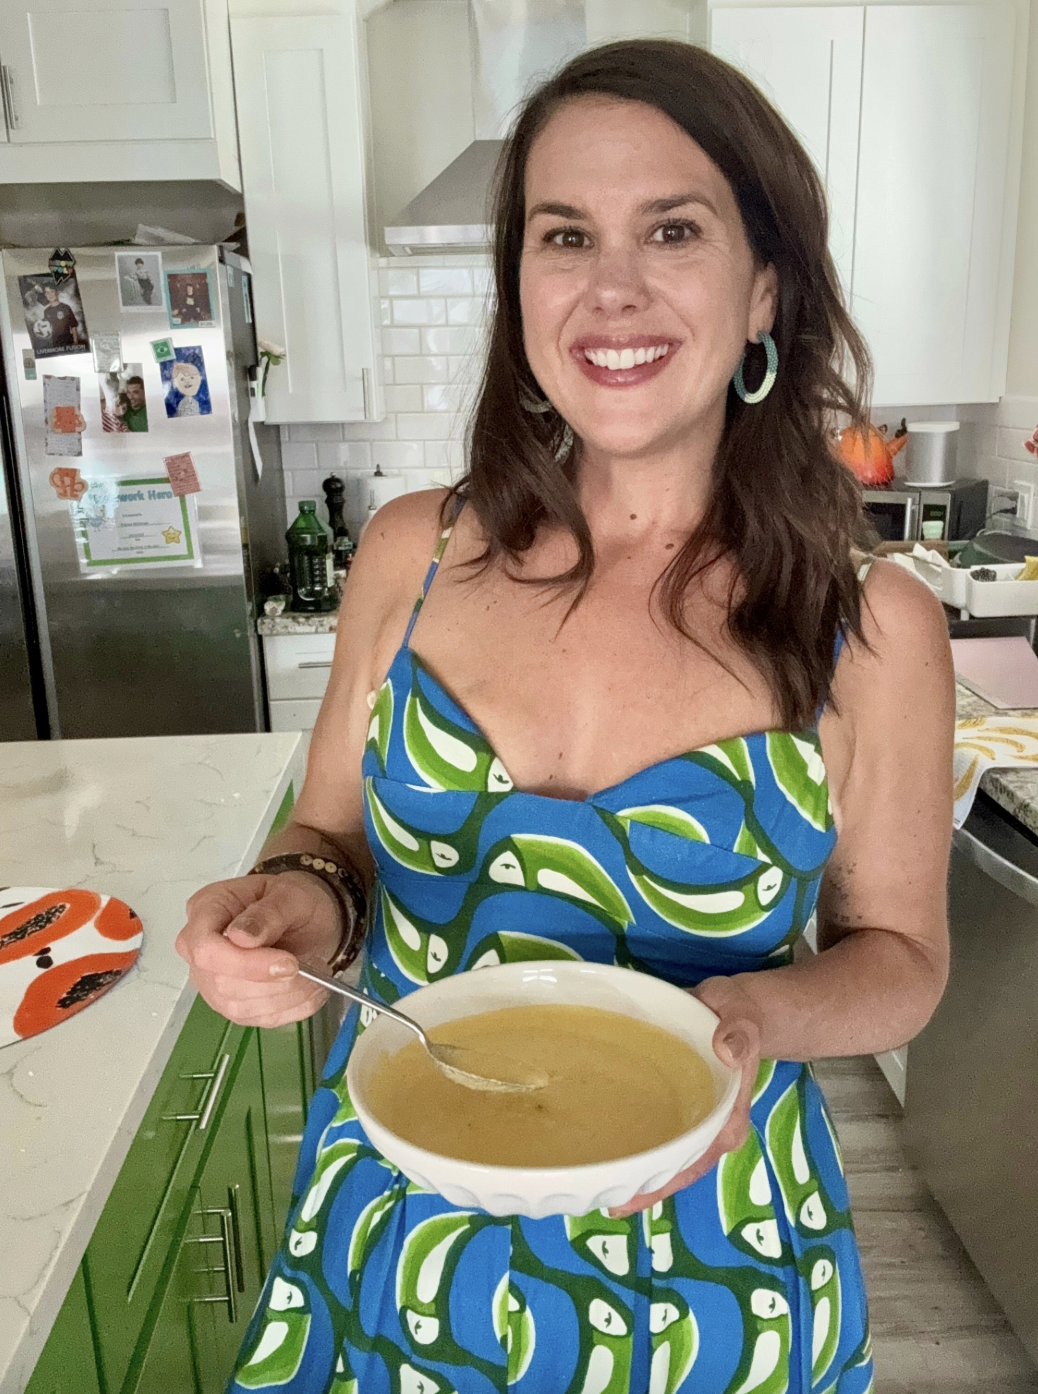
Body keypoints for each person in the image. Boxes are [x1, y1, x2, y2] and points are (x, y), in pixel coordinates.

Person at [177, 39, 953, 1394]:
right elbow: (327, 835)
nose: (611, 287)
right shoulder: (409, 558)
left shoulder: (871, 625)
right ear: (518, 285)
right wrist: (291, 902)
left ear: (765, 285)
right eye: (563, 234)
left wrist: (755, 1020)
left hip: (712, 1273)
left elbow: (901, 960)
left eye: (672, 229)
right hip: (399, 1240)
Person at [42, 283, 80, 350]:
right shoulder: (46, 311)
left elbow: (73, 326)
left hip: (68, 343)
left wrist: (75, 342)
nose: (50, 295)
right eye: (47, 292)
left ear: (57, 293)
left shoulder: (65, 308)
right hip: (55, 345)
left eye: (52, 291)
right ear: (45, 295)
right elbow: (47, 329)